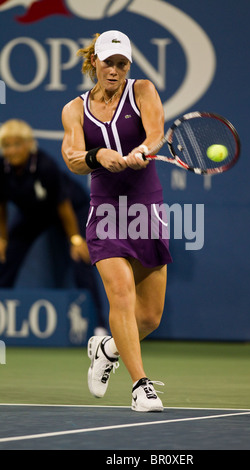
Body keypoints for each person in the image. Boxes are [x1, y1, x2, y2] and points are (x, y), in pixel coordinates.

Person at [61, 30, 172, 412]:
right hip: (106, 211)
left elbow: (157, 134)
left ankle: (108, 348)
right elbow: (72, 157)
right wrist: (98, 156)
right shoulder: (75, 109)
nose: (115, 70)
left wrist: (142, 149)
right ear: (95, 62)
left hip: (146, 209)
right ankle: (140, 386)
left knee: (149, 317)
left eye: (122, 63)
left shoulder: (142, 90)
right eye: (108, 62)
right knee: (121, 295)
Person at [0, 119, 107, 334]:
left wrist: (76, 240)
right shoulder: (2, 168)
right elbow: (0, 206)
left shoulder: (45, 165)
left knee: (81, 259)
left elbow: (63, 205)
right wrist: (2, 239)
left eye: (17, 144)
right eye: (7, 145)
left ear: (28, 144)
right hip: (34, 214)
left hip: (70, 209)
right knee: (6, 258)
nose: (12, 150)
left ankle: (99, 326)